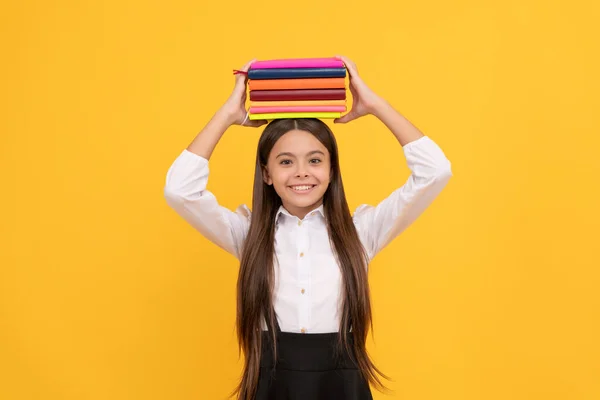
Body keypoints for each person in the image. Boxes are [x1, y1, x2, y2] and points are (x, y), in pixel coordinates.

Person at [164, 55, 453, 400]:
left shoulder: (361, 232)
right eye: (286, 162)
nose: (301, 172)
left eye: (315, 160)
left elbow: (435, 172)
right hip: (271, 385)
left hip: (342, 386)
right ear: (267, 174)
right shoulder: (249, 234)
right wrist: (227, 115)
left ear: (332, 170)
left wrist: (375, 105)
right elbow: (179, 190)